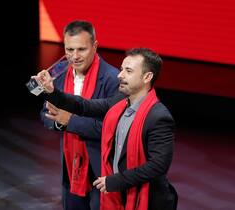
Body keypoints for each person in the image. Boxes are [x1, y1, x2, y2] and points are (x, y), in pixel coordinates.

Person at [34, 48, 178, 210]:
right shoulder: (120, 101)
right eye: (122, 69)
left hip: (149, 201)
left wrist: (114, 181)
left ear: (147, 77)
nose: (120, 75)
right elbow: (84, 105)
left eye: (128, 71)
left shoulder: (159, 117)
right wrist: (51, 92)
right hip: (118, 195)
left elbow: (158, 166)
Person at [39, 20, 120, 210]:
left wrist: (69, 121)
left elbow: (112, 129)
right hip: (70, 167)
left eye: (81, 49)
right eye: (69, 49)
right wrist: (58, 123)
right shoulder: (58, 75)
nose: (74, 56)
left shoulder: (112, 80)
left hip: (101, 171)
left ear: (95, 46)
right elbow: (44, 112)